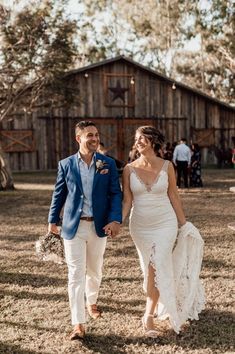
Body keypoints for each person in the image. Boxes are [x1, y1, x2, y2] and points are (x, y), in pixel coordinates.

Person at [122, 125, 205, 337]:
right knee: (149, 269)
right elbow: (127, 201)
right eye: (137, 139)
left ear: (153, 141)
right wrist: (117, 221)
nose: (138, 142)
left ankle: (148, 315)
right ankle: (157, 302)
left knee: (157, 266)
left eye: (142, 139)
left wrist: (183, 223)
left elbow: (174, 196)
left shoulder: (168, 166)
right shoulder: (129, 169)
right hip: (140, 226)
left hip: (165, 224)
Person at [48, 120, 122, 340]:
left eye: (96, 135)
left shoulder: (107, 163)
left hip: (99, 226)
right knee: (75, 274)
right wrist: (53, 219)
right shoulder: (66, 164)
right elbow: (59, 194)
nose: (94, 138)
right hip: (73, 227)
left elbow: (115, 194)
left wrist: (115, 219)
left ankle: (92, 301)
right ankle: (78, 323)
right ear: (78, 138)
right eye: (89, 135)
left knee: (95, 269)